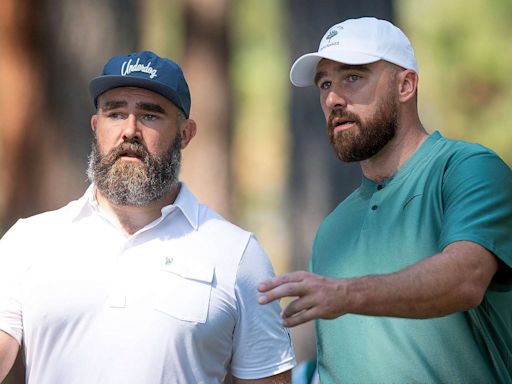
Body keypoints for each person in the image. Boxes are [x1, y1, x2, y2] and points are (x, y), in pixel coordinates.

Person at [0, 50, 295, 383]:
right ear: (96, 127)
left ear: (185, 134)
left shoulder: (238, 255)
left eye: (150, 116)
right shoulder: (27, 242)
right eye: (115, 114)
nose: (130, 130)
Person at [258, 17, 512, 383]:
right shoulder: (332, 229)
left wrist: (346, 294)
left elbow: (465, 279)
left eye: (353, 77)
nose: (332, 98)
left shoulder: (467, 169)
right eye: (325, 84)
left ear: (406, 84)